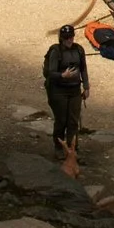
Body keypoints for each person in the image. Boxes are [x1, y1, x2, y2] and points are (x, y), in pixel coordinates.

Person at [43, 23, 88, 162]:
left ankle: (72, 148)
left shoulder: (79, 50)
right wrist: (62, 75)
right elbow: (50, 72)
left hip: (74, 90)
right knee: (61, 120)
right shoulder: (56, 51)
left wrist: (86, 87)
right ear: (62, 38)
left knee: (73, 121)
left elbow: (83, 69)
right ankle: (59, 147)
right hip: (59, 91)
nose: (69, 40)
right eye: (67, 38)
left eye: (71, 37)